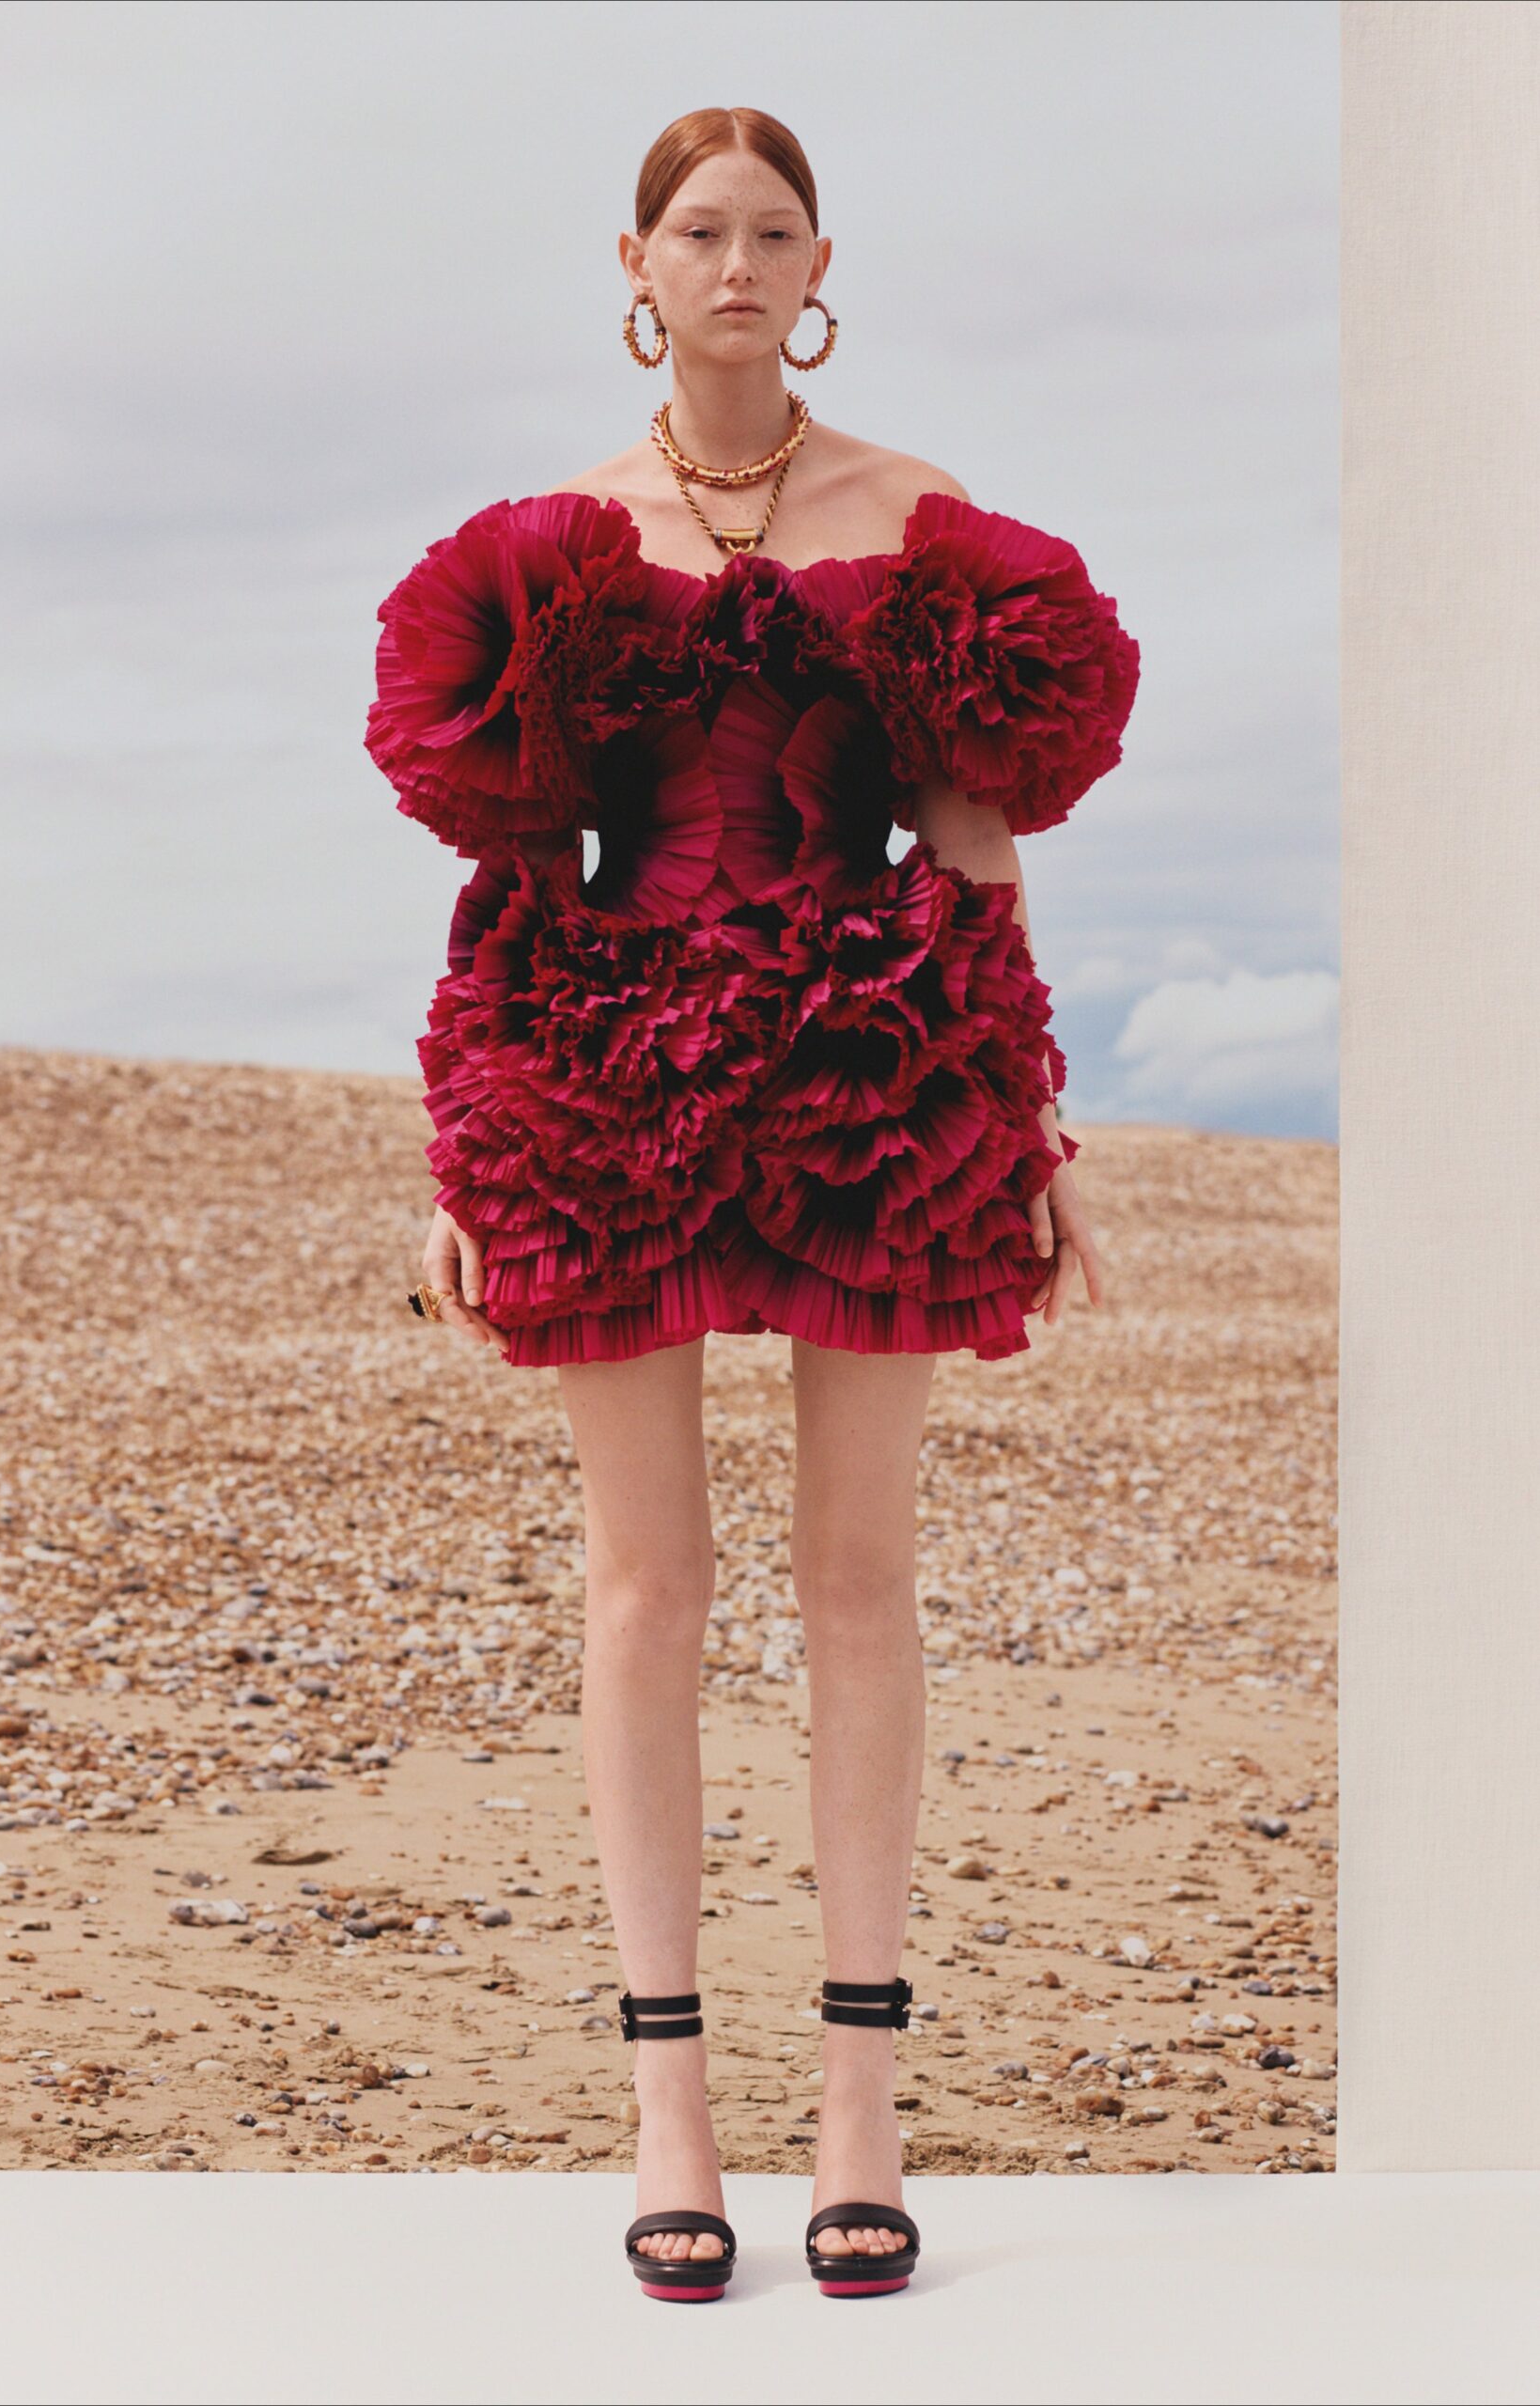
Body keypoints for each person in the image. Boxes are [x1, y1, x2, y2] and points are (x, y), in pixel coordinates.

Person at [366, 105, 1138, 2301]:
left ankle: (861, 2108)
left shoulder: (919, 520)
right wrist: (464, 1137)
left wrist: (1032, 1123)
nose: (733, 262)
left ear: (819, 264)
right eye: (696, 230)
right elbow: (509, 871)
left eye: (769, 230)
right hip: (607, 1069)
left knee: (861, 1582)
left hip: (870, 1067)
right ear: (634, 259)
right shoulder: (559, 532)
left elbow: (973, 842)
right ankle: (666, 2109)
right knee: (644, 1587)